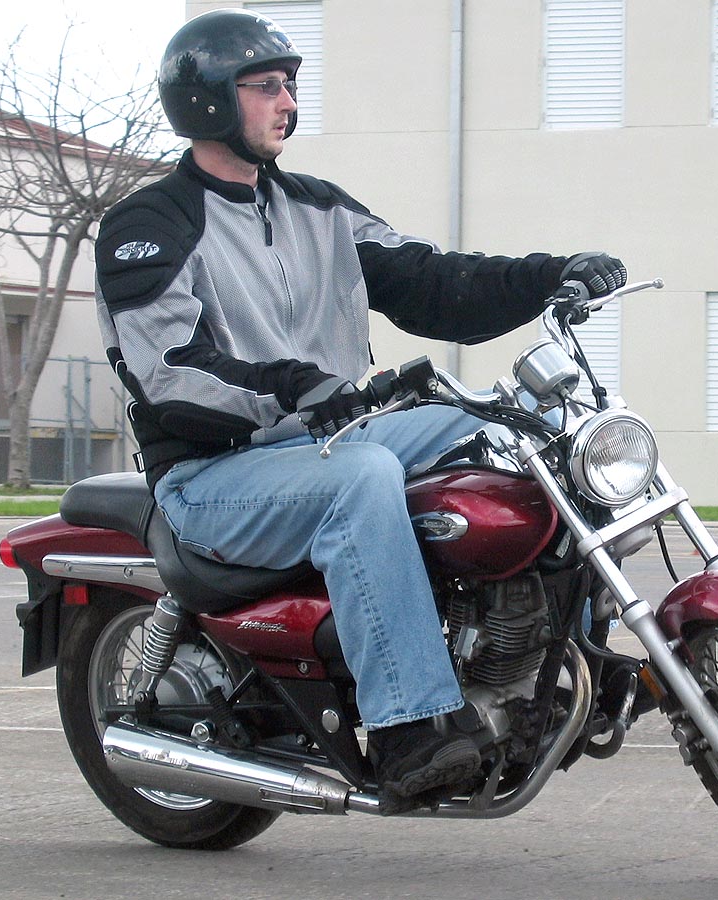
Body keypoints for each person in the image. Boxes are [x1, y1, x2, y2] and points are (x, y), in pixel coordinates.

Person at [94, 8, 625, 812]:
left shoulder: (320, 209)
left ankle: (566, 655)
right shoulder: (147, 227)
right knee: (364, 476)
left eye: (290, 85)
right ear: (208, 101)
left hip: (330, 434)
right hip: (215, 472)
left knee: (522, 429)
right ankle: (409, 727)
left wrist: (551, 275)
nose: (287, 102)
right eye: (265, 86)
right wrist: (294, 385)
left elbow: (432, 282)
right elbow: (169, 372)